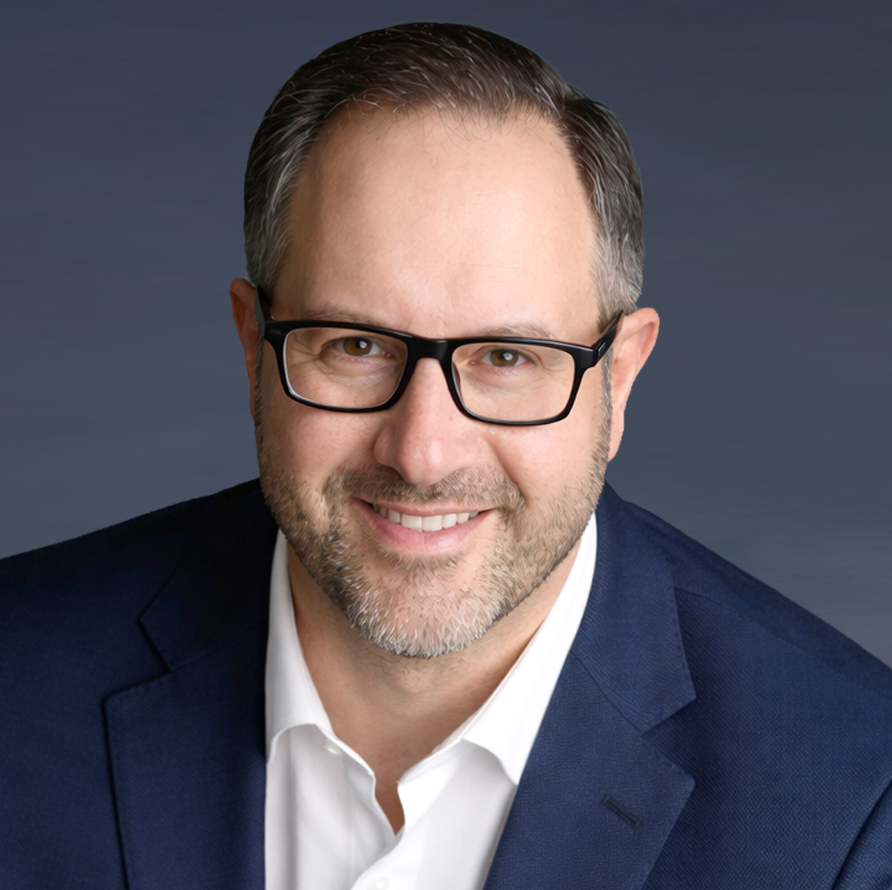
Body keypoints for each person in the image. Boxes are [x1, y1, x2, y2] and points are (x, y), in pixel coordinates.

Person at [1, 21, 891, 890]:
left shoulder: (851, 807)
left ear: (618, 379)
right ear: (251, 347)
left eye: (507, 357)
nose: (422, 453)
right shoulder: (17, 678)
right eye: (355, 346)